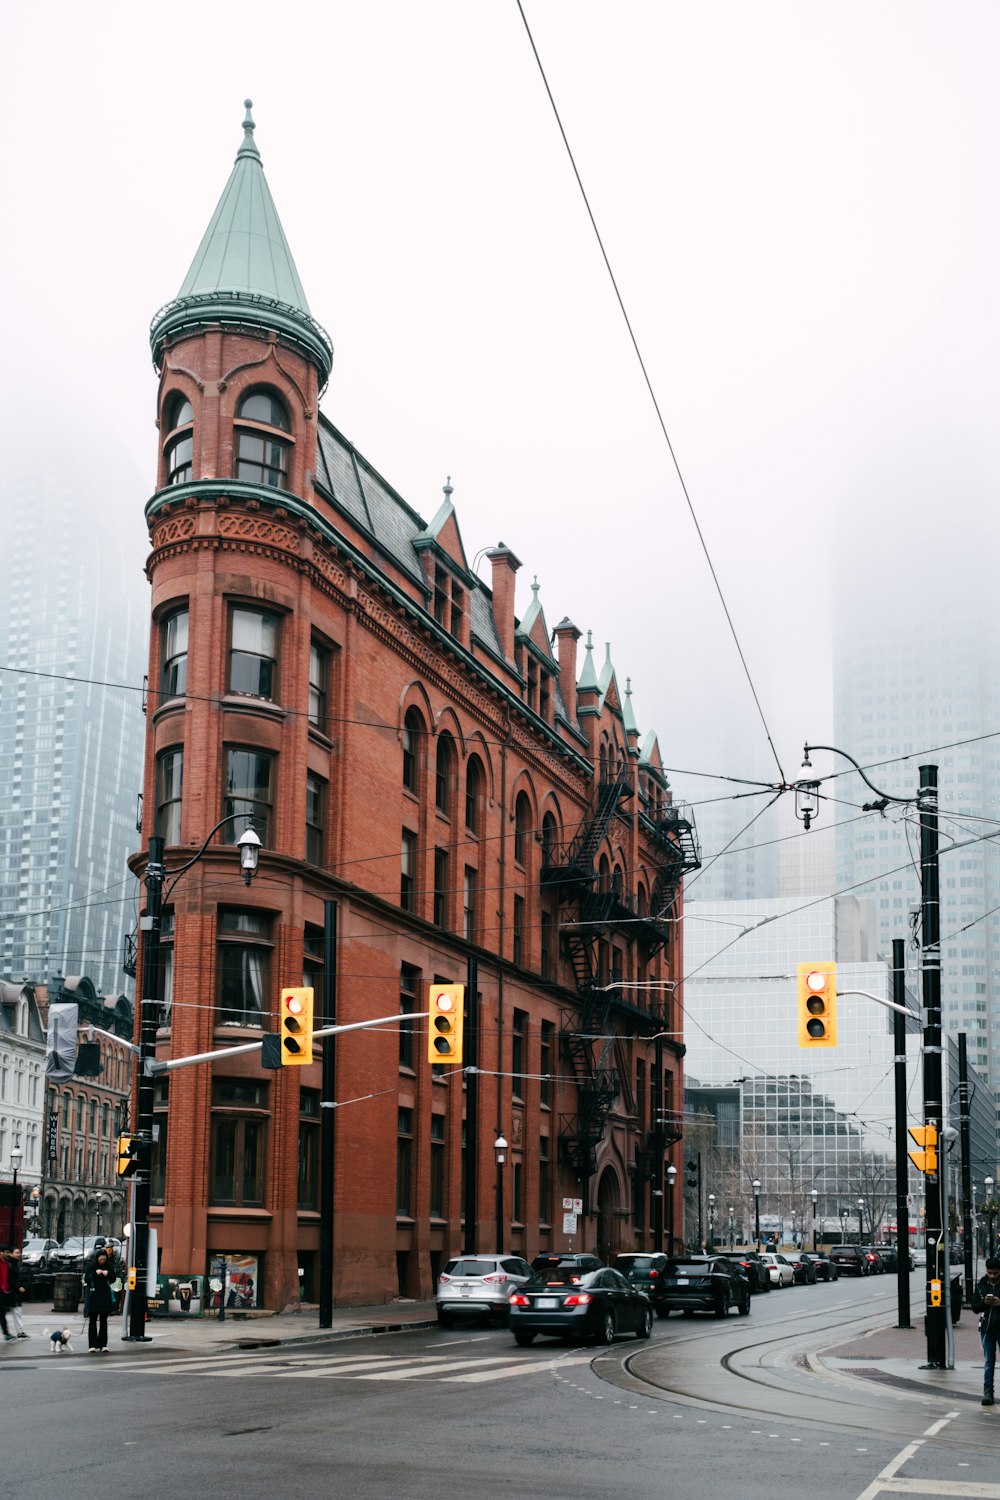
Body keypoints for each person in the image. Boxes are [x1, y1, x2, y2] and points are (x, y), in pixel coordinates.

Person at [971, 1255, 1000, 1406]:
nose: (993, 1276)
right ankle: (988, 1392)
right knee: (989, 1361)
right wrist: (985, 1303)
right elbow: (975, 1307)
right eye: (990, 1273)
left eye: (995, 1273)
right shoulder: (981, 1285)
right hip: (987, 1329)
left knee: (990, 1361)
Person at [85, 1248, 114, 1353]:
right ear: (97, 1259)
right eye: (101, 1259)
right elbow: (86, 1279)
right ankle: (92, 1344)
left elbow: (113, 1279)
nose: (102, 1261)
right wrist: (95, 1273)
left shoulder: (108, 1267)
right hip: (94, 1295)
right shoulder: (91, 1267)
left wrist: (108, 1273)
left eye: (104, 1259)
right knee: (92, 1321)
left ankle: (103, 1344)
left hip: (104, 1296)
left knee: (103, 1321)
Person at [7, 1249, 27, 1338]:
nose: (19, 1254)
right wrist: (18, 1286)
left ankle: (20, 1331)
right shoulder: (11, 1264)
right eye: (17, 1252)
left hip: (13, 1291)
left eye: (19, 1252)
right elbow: (10, 1278)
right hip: (11, 1291)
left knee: (16, 1311)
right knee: (16, 1311)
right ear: (11, 1254)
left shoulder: (14, 1263)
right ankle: (19, 1331)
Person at [0, 1251, 13, 1341]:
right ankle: (6, 1333)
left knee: (2, 1312)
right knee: (2, 1312)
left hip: (3, 1290)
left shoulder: (6, 1263)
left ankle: (6, 1333)